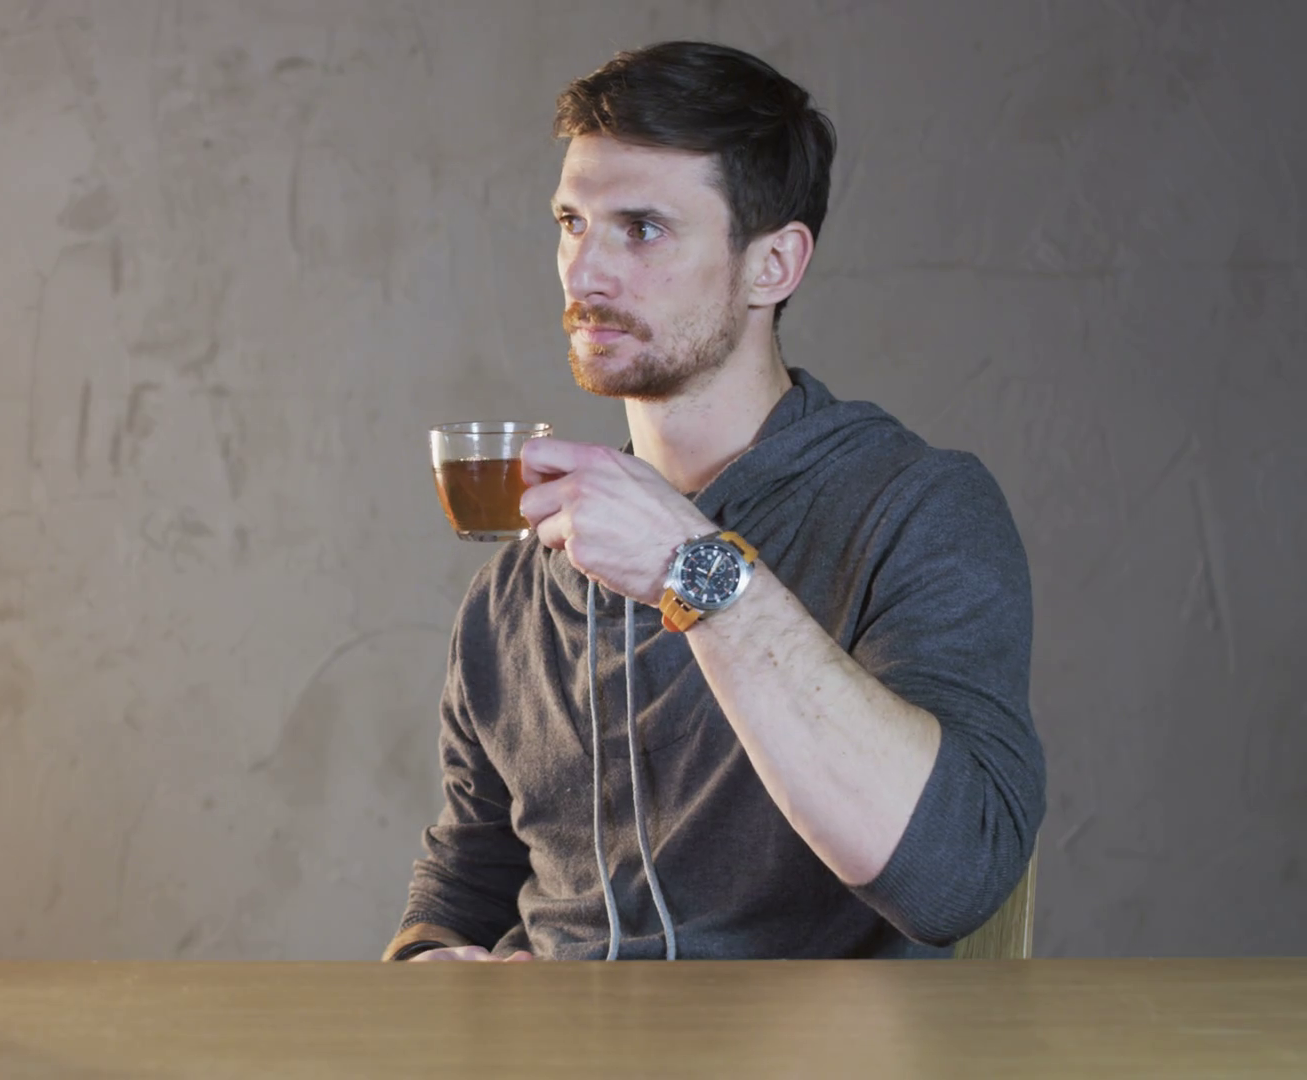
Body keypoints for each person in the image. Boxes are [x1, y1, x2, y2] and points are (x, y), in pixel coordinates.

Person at [385, 41, 1046, 962]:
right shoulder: (514, 592)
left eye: (643, 228)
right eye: (572, 223)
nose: (584, 274)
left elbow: (953, 877)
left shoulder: (916, 511)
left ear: (773, 265)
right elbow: (470, 876)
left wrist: (692, 568)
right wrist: (430, 962)